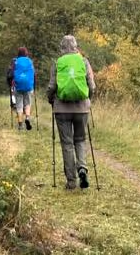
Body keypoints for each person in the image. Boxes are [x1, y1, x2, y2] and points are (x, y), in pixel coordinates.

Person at [47, 35, 96, 190]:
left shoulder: (57, 63)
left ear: (62, 47)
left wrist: (51, 100)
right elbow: (92, 86)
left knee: (67, 143)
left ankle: (71, 181)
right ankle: (82, 168)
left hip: (62, 109)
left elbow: (52, 87)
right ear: (76, 46)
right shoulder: (83, 61)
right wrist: (88, 99)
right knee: (80, 139)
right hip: (82, 109)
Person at [10, 47, 36, 130]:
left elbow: (11, 74)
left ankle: (20, 124)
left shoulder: (15, 62)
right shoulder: (30, 61)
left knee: (19, 105)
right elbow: (34, 73)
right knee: (27, 103)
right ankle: (27, 118)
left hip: (18, 85)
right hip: (28, 85)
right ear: (26, 53)